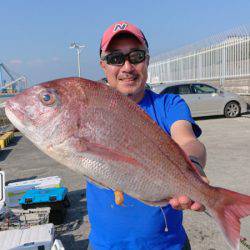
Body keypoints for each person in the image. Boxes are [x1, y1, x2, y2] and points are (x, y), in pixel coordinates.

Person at [86, 21, 208, 250]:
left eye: (136, 56)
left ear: (148, 60)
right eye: (115, 58)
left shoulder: (169, 105)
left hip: (169, 246)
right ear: (103, 66)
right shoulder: (92, 111)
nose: (127, 67)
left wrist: (193, 166)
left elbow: (188, 140)